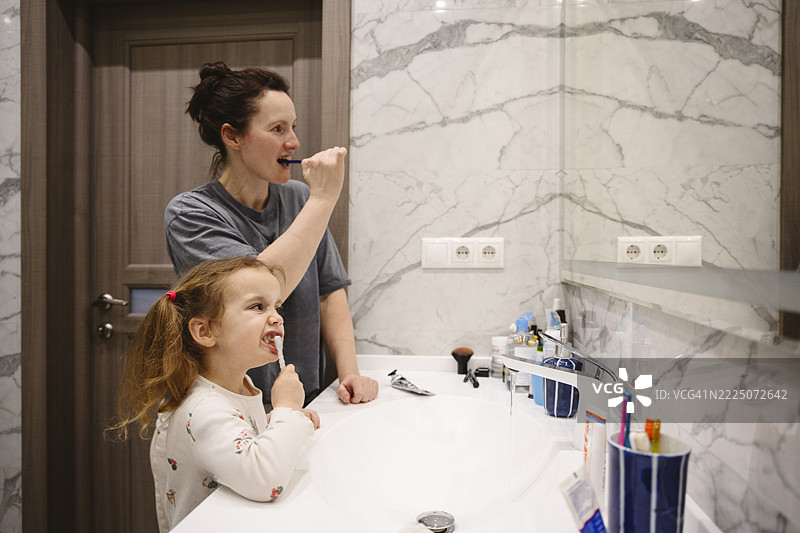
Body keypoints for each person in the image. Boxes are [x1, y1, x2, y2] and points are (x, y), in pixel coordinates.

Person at [165, 61, 378, 406]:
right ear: (232, 135)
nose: (293, 142)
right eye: (277, 129)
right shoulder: (191, 214)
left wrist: (348, 372)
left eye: (293, 127)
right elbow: (261, 290)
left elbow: (329, 291)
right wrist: (323, 200)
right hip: (234, 407)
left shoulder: (299, 199)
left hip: (306, 396)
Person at [111, 256, 319, 531]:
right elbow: (264, 479)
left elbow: (240, 440)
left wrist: (282, 424)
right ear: (204, 331)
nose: (277, 317)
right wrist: (287, 411)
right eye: (258, 306)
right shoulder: (203, 408)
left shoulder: (238, 385)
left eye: (277, 306)